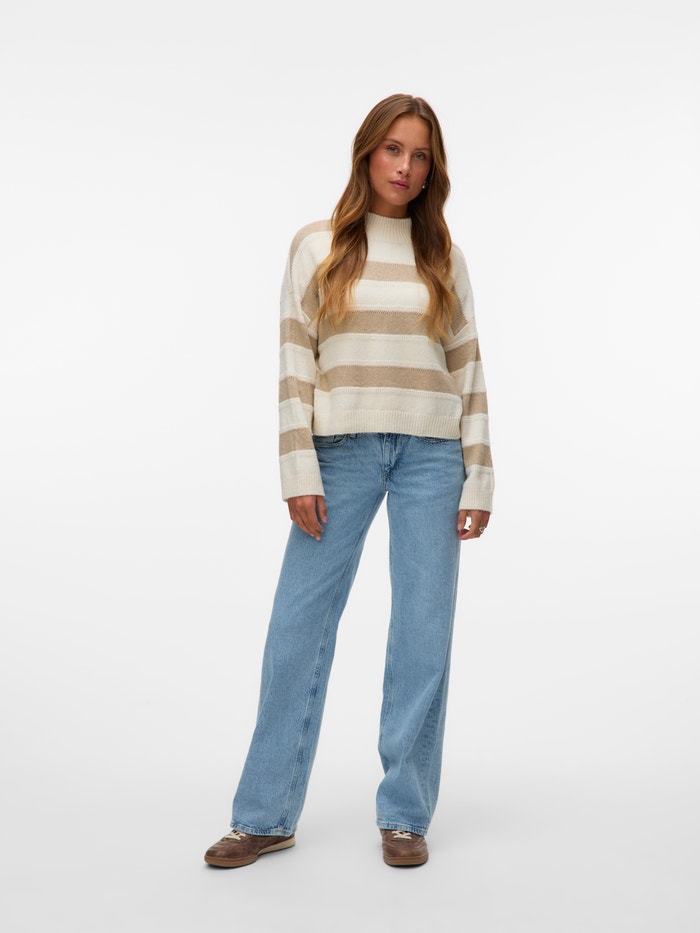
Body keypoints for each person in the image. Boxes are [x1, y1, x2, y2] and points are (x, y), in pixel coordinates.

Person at [204, 93, 494, 869]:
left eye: (420, 155)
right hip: (340, 452)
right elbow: (294, 358)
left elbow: (468, 368)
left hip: (433, 453)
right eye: (393, 149)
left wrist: (479, 478)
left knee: (422, 632)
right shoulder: (319, 246)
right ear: (367, 153)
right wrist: (297, 464)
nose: (405, 166)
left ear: (432, 169)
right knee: (297, 626)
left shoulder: (444, 257)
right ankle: (264, 814)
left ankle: (404, 813)